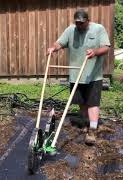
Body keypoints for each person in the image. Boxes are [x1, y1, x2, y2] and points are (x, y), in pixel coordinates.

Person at [47, 9, 110, 145]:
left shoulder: (98, 29)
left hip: (93, 75)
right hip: (76, 74)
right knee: (81, 101)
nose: (79, 26)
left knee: (93, 102)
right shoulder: (71, 30)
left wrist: (95, 51)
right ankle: (85, 122)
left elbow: (106, 48)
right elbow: (60, 43)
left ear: (88, 20)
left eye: (82, 23)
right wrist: (53, 48)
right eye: (77, 23)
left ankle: (92, 130)